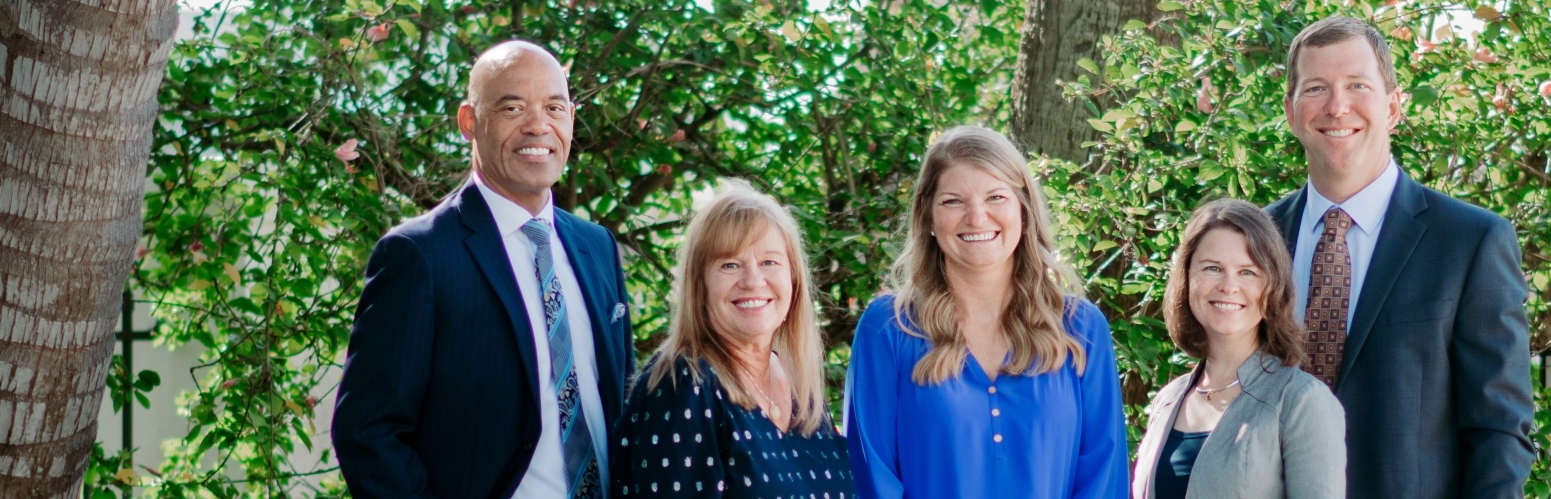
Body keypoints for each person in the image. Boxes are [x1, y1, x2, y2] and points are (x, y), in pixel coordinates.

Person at [332, 41, 635, 499]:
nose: (539, 125)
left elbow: (623, 403)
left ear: (571, 118)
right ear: (469, 122)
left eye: (554, 107)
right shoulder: (419, 255)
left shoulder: (597, 247)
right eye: (513, 107)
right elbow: (368, 433)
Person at [1264, 16, 1535, 498]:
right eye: (1316, 88)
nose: (1337, 105)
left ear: (1392, 107)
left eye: (1357, 85)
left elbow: (1498, 430)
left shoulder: (1471, 242)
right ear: (1290, 111)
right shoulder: (1257, 239)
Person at [845, 126, 1128, 499]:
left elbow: (1104, 479)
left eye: (995, 196)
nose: (977, 217)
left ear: (1023, 209)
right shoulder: (889, 329)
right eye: (953, 201)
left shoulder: (1081, 328)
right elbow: (871, 478)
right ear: (927, 216)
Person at [610, 181, 855, 498]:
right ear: (700, 286)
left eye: (769, 262)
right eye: (730, 264)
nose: (753, 281)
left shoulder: (800, 385)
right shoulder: (684, 382)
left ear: (793, 278)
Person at [1130, 199, 1344, 499]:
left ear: (1273, 287)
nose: (1229, 286)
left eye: (1248, 272)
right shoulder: (1168, 400)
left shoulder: (1301, 401)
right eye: (1213, 268)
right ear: (1187, 278)